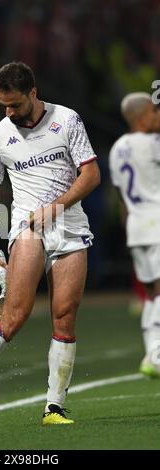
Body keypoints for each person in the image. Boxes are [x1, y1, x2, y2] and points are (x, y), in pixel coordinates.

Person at [0, 61, 100, 431]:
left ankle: (55, 407)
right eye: (3, 105)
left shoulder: (67, 120)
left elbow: (92, 174)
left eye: (15, 104)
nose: (9, 112)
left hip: (69, 224)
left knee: (65, 315)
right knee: (15, 315)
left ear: (33, 93)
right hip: (28, 225)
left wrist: (56, 208)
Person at [109, 92, 160, 378]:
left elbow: (121, 198)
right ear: (142, 117)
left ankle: (152, 353)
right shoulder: (153, 144)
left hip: (136, 228)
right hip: (157, 224)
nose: (158, 116)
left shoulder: (118, 148)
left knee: (152, 295)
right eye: (155, 112)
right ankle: (155, 355)